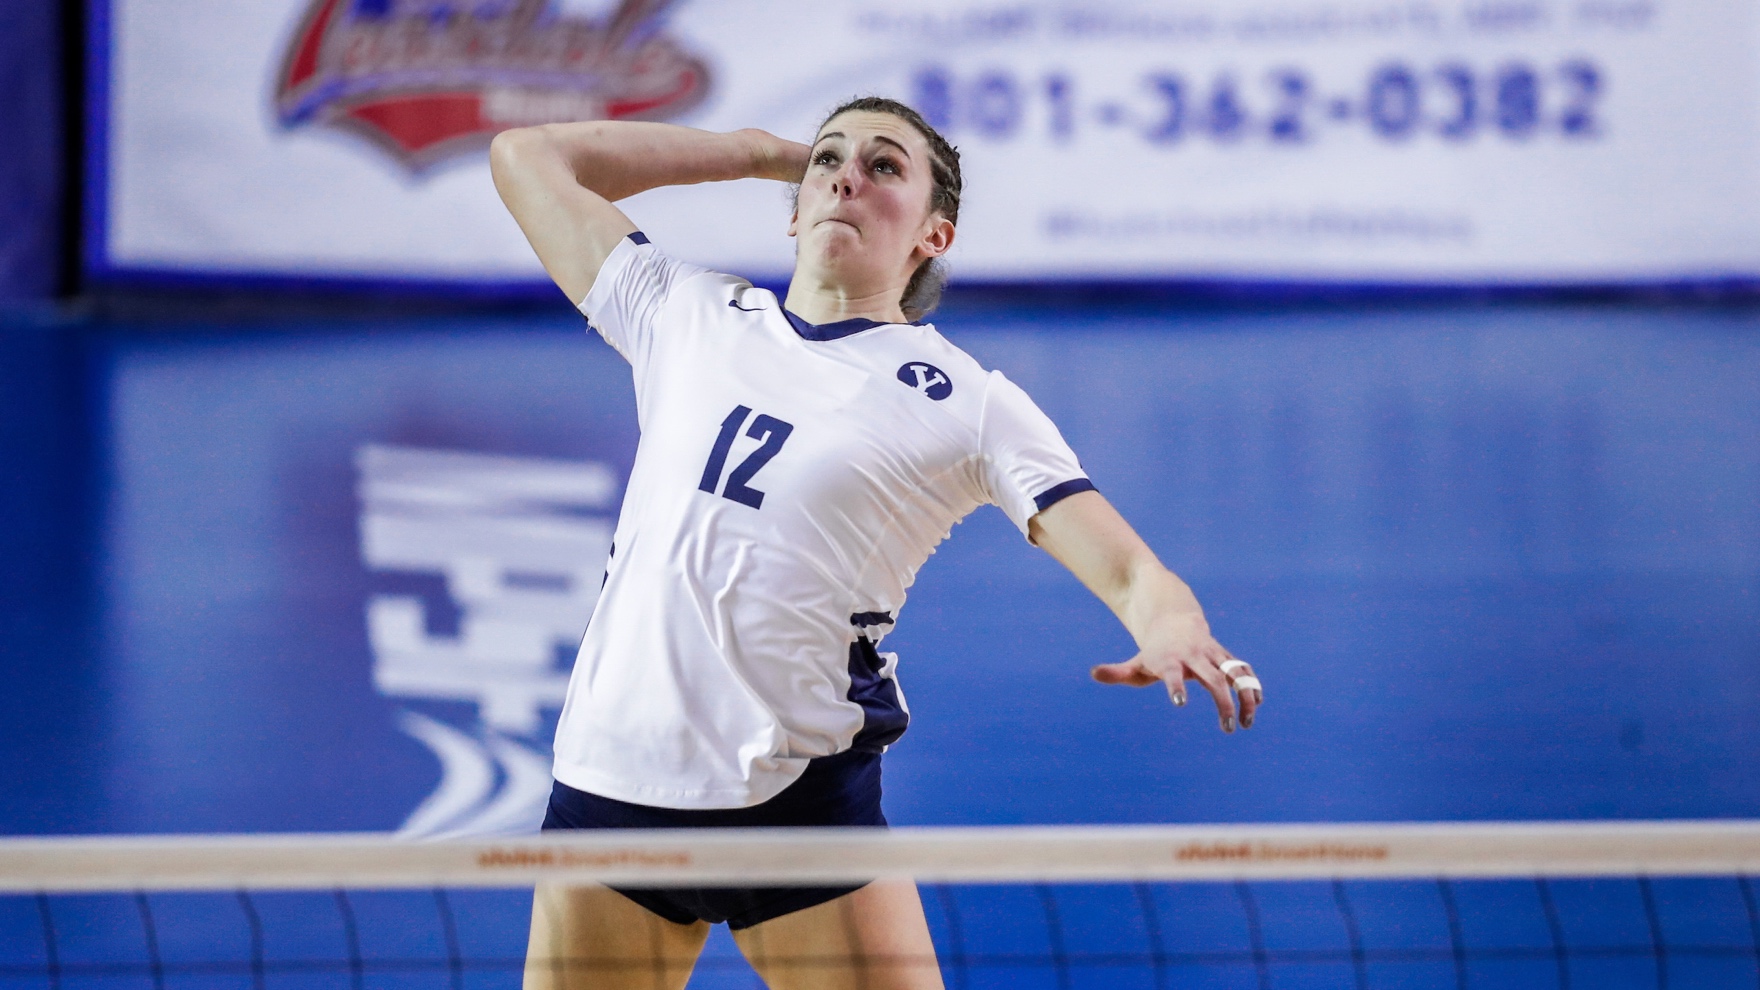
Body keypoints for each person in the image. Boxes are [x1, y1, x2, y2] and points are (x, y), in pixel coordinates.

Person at [489, 96, 1264, 990]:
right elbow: (528, 157)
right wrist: (757, 152)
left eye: (884, 165)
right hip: (613, 782)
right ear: (793, 209)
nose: (846, 177)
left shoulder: (968, 402)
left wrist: (1172, 627)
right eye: (829, 160)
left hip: (793, 804)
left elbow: (1129, 571)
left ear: (935, 235)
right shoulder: (681, 309)